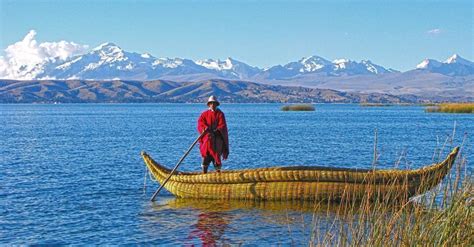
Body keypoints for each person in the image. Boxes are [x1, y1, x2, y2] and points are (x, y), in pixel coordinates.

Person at [197, 95, 229, 174]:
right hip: (207, 141)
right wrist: (204, 128)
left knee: (216, 158)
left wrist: (216, 130)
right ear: (209, 104)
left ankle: (218, 175)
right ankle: (204, 175)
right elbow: (200, 123)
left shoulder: (220, 114)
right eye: (211, 103)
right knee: (206, 158)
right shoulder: (204, 114)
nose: (213, 105)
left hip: (216, 141)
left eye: (214, 103)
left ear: (216, 104)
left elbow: (223, 126)